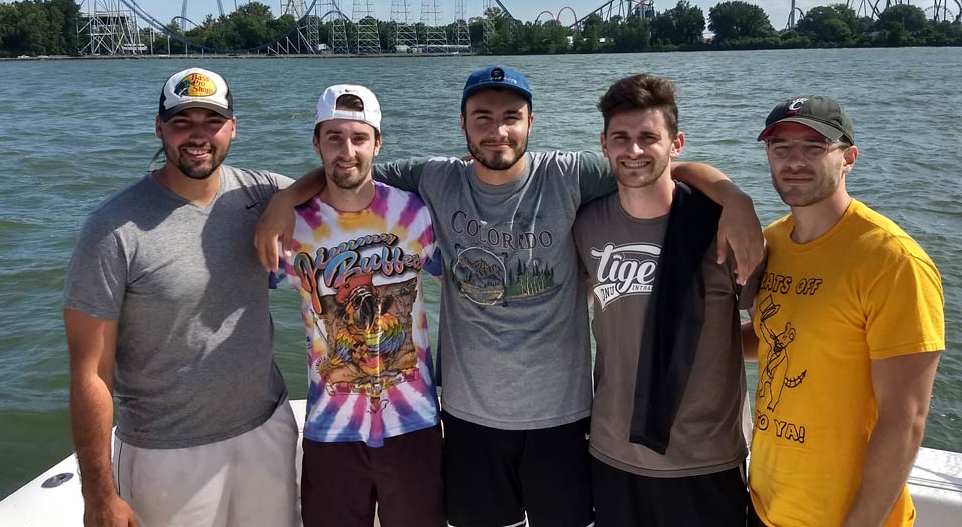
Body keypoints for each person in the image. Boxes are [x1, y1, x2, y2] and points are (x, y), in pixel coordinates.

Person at [256, 65, 764, 527]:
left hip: (562, 415)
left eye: (510, 117)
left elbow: (654, 163)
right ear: (462, 125)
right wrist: (285, 199)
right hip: (468, 414)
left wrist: (733, 197)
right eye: (482, 117)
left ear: (530, 122)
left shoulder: (569, 175)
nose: (497, 130)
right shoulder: (435, 178)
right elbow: (350, 170)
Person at [63, 67, 299, 527]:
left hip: (267, 428)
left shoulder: (263, 192)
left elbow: (333, 184)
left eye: (211, 121)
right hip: (165, 454)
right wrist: (98, 494)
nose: (198, 136)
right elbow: (90, 372)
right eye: (181, 122)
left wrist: (288, 201)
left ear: (233, 126)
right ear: (159, 128)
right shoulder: (111, 228)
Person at [746, 95, 944, 527]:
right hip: (766, 503)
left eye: (814, 148)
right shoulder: (772, 242)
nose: (794, 161)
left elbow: (906, 418)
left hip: (842, 517)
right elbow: (771, 336)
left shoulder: (892, 261)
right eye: (780, 148)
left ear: (848, 157)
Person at [572, 74, 757, 526]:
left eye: (648, 138)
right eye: (621, 138)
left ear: (676, 143)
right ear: (603, 144)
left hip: (706, 460)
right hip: (612, 451)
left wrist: (711, 344)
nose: (633, 151)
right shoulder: (585, 224)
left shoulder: (723, 227)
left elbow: (777, 332)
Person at [270, 84, 445, 527]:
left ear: (378, 144)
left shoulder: (417, 214)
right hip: (331, 430)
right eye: (334, 137)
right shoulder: (291, 229)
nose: (347, 150)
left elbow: (470, 277)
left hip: (415, 425)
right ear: (316, 143)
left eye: (359, 138)